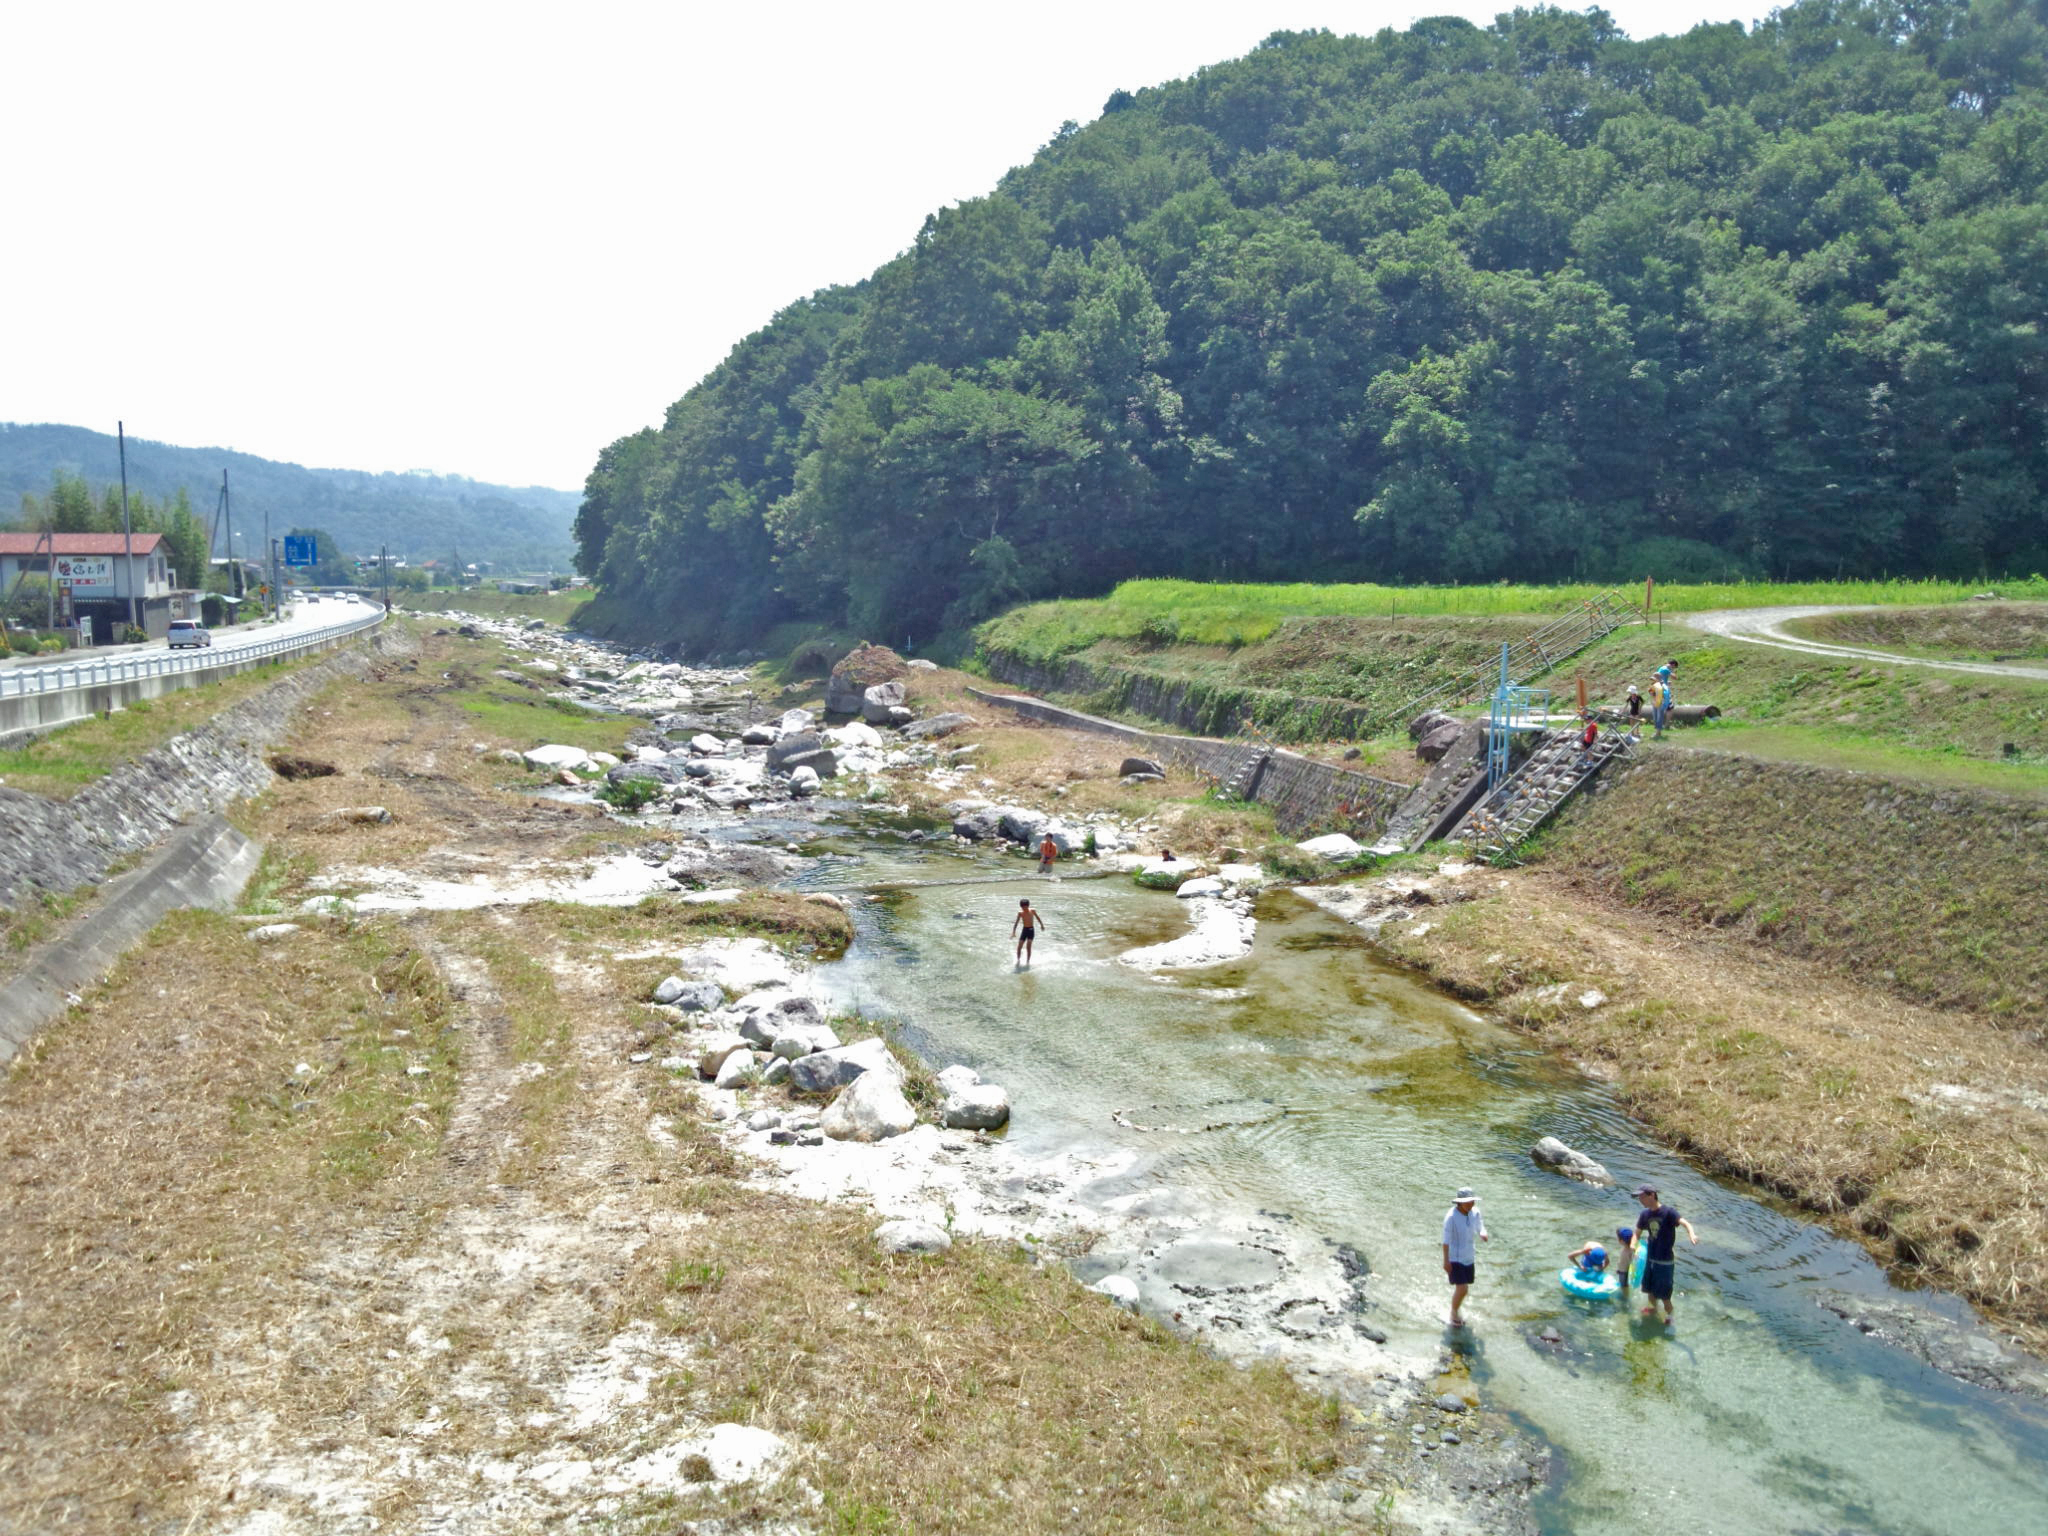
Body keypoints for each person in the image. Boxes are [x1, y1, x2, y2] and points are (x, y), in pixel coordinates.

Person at [1632, 1184, 1698, 1324]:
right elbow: (1637, 1233)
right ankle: (1653, 1309)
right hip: (1650, 1259)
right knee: (1649, 1290)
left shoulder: (1668, 1212)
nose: (1640, 1200)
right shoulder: (1645, 1214)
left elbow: (1685, 1223)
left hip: (1665, 1261)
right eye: (1639, 1197)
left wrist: (1691, 1233)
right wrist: (1633, 1247)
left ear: (1652, 1195)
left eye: (1642, 1197)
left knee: (1665, 1295)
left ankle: (1670, 1315)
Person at [1441, 1187, 1489, 1326]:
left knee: (1464, 1289)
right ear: (1459, 1203)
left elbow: (1480, 1226)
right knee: (1463, 1288)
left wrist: (1482, 1233)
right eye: (1467, 1202)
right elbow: (1445, 1241)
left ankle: (1455, 1310)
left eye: (1472, 1201)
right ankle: (1453, 1314)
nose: (1471, 1204)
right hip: (1455, 1258)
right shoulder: (1451, 1217)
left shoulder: (1475, 1212)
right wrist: (1446, 1261)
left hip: (1469, 1255)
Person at [1010, 897, 1045, 968]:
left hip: (1031, 930)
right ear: (1021, 907)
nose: (1024, 909)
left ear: (1028, 906)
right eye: (1023, 908)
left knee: (1028, 947)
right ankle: (1018, 961)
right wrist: (1013, 932)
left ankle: (1027, 962)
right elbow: (1016, 923)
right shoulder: (1020, 913)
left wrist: (1041, 925)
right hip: (1024, 930)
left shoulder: (1032, 911)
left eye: (1025, 908)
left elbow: (1038, 918)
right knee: (1019, 946)